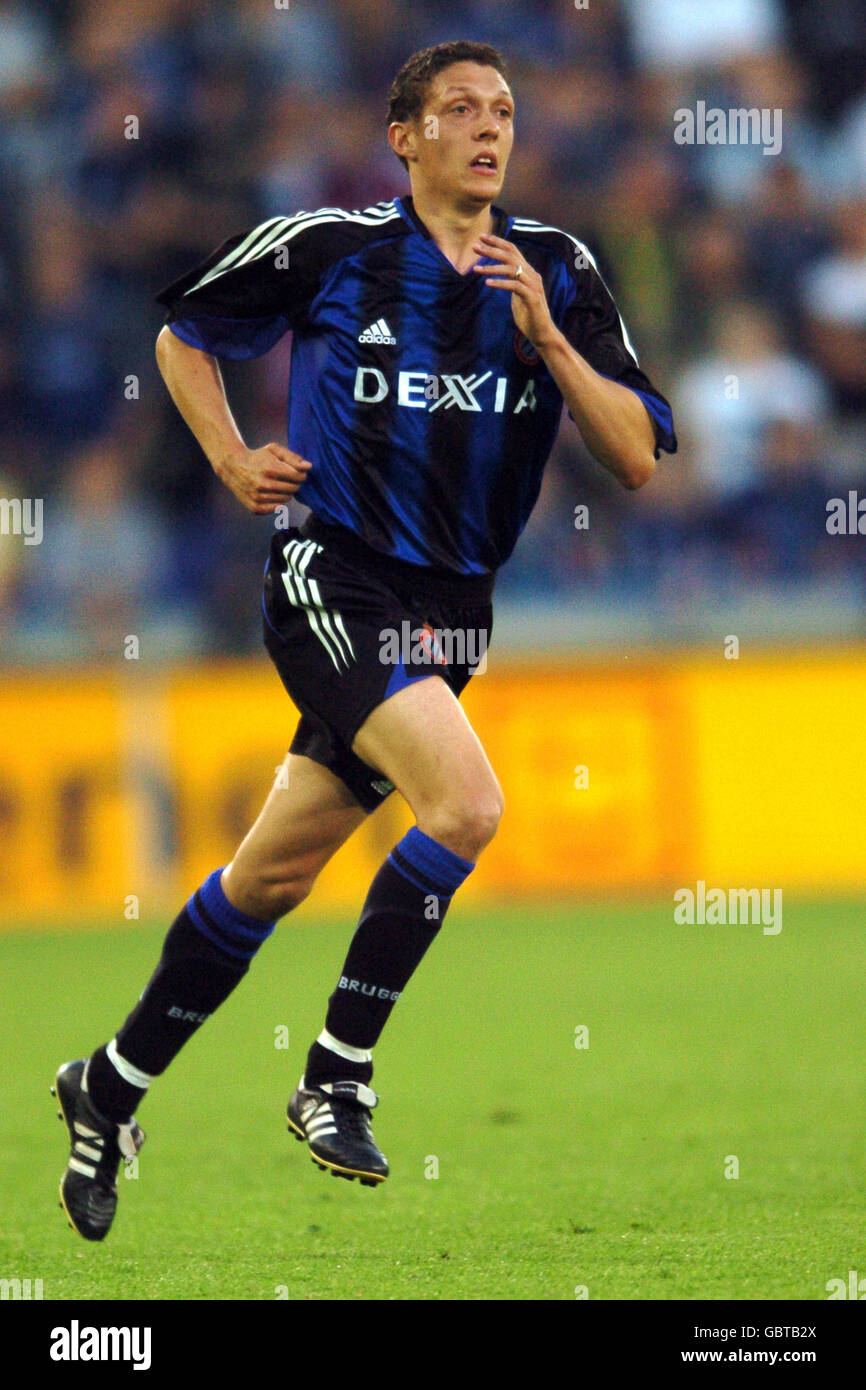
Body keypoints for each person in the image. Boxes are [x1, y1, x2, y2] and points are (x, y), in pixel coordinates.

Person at [53, 40, 676, 1240]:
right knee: (468, 806)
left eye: (503, 110)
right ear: (404, 135)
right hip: (329, 574)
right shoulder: (331, 246)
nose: (488, 129)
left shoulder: (556, 268)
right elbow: (183, 331)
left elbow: (639, 456)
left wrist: (548, 340)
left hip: (452, 613)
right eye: (459, 109)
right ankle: (335, 1071)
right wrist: (233, 454)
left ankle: (109, 1084)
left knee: (271, 875)